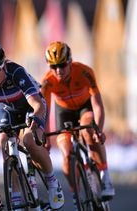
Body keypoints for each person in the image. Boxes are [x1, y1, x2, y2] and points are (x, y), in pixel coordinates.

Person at [0, 42, 64, 210]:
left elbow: (38, 105)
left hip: (32, 106)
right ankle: (15, 195)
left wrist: (36, 122)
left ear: (3, 65)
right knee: (3, 141)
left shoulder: (16, 72)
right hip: (7, 109)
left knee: (29, 140)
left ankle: (52, 182)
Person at [41, 41, 115, 202]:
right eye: (53, 67)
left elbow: (97, 103)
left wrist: (99, 129)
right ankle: (76, 194)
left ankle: (105, 176)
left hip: (84, 107)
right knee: (66, 154)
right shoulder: (47, 82)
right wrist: (45, 137)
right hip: (63, 112)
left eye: (62, 65)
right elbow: (44, 112)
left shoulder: (84, 72)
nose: (58, 70)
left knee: (89, 132)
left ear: (70, 61)